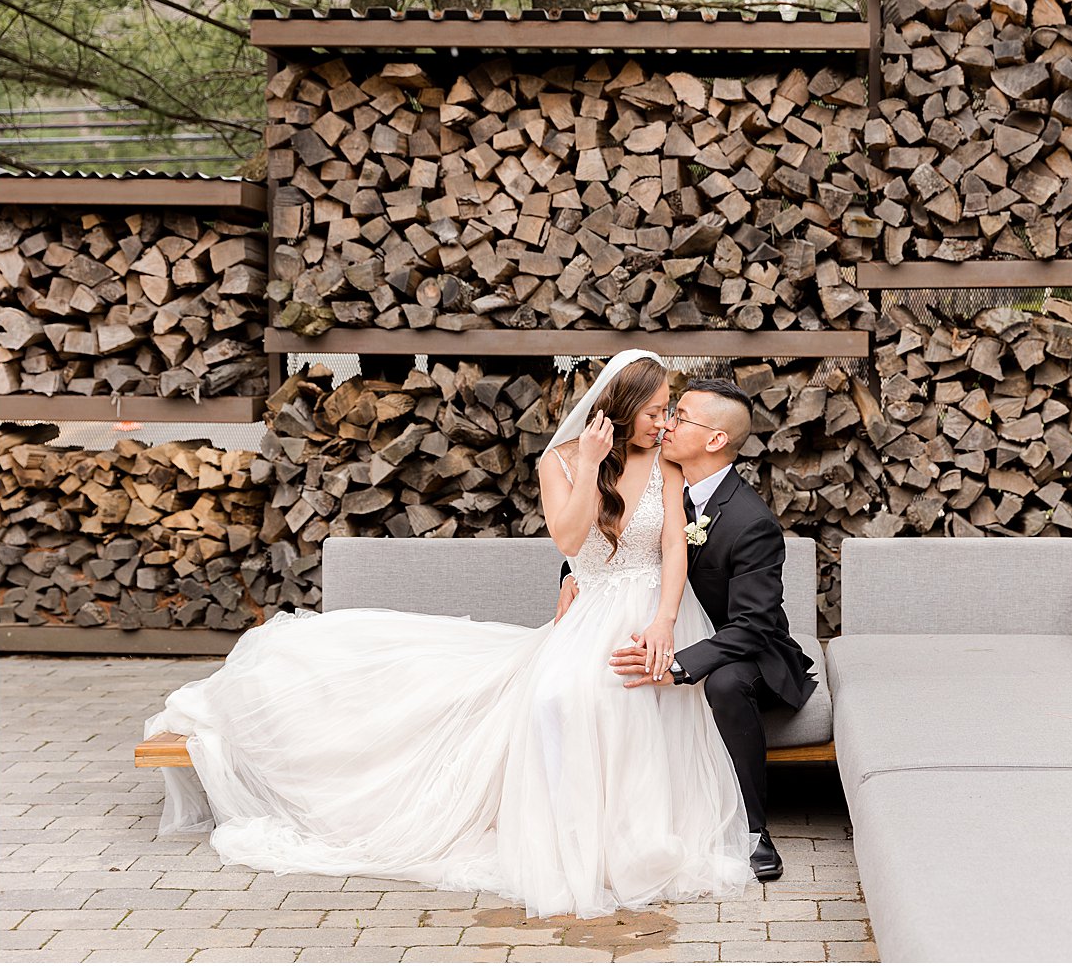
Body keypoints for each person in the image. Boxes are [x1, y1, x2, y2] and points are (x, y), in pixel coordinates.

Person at [144, 349, 759, 919]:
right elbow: (571, 542)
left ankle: (637, 840)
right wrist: (593, 464)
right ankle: (572, 837)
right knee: (555, 697)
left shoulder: (666, 465)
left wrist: (662, 622)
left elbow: (674, 546)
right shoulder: (562, 460)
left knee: (634, 699)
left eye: (666, 413)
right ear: (621, 412)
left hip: (652, 606)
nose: (662, 423)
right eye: (654, 413)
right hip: (590, 609)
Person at [558, 376, 818, 881]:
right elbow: (607, 539)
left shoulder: (750, 521)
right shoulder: (653, 474)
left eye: (680, 417)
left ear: (715, 440)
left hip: (738, 647)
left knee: (721, 681)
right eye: (668, 412)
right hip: (658, 628)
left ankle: (752, 830)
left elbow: (754, 624)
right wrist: (571, 578)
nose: (666, 423)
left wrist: (680, 665)